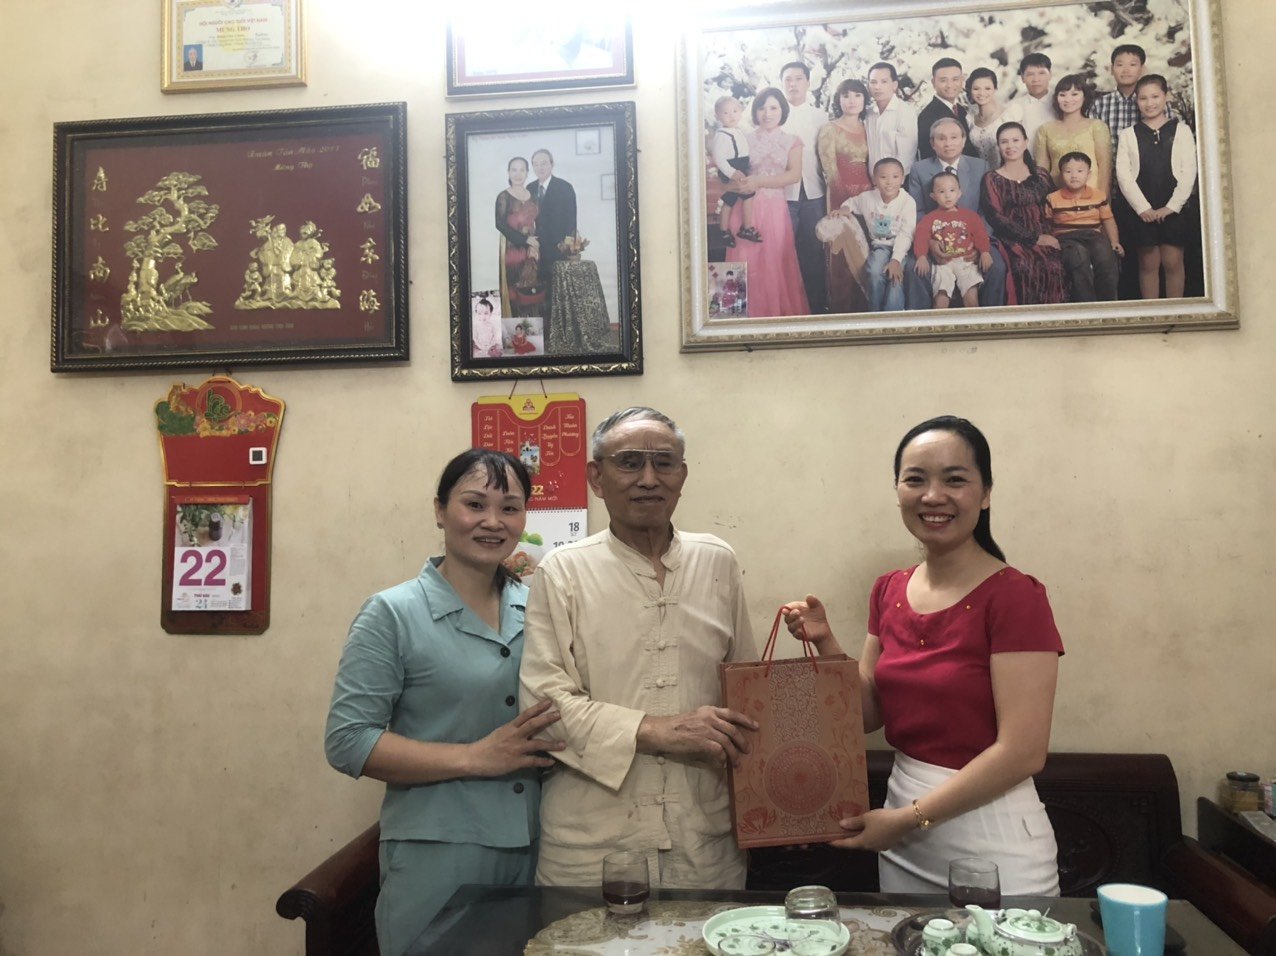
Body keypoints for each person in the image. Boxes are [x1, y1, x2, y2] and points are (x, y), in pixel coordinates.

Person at [782, 415, 1063, 896]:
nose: (933, 496)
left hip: (992, 835)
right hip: (902, 824)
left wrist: (909, 819)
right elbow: (867, 715)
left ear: (986, 493)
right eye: (915, 479)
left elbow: (1023, 752)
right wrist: (826, 643)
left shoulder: (1016, 596)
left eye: (955, 480)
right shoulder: (888, 590)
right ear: (897, 491)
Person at [325, 449, 566, 956]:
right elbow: (349, 741)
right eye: (474, 504)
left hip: (539, 848)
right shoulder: (392, 613)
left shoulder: (539, 607)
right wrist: (475, 757)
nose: (493, 522)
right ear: (440, 510)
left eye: (509, 508)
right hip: (438, 855)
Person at [519, 406, 759, 890]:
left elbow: (746, 694)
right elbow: (545, 706)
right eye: (629, 462)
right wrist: (659, 730)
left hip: (705, 840)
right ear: (596, 478)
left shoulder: (717, 561)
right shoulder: (563, 571)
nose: (649, 479)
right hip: (592, 843)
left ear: (682, 476)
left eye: (663, 463)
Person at [724, 87, 810, 317]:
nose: (767, 113)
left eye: (773, 108)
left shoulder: (792, 141)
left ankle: (772, 319)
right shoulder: (743, 139)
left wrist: (759, 181)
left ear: (783, 110)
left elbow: (794, 175)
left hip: (774, 209)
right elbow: (729, 173)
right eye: (762, 108)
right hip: (744, 208)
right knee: (743, 261)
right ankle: (734, 321)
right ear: (755, 111)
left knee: (774, 263)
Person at [906, 117, 1007, 309]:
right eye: (941, 138)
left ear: (963, 140)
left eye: (954, 137)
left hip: (974, 237)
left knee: (997, 267)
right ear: (932, 143)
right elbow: (917, 211)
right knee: (913, 269)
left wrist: (977, 243)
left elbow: (987, 211)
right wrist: (930, 243)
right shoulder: (920, 169)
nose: (948, 143)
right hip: (934, 237)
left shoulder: (980, 166)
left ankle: (991, 321)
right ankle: (921, 324)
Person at [1115, 74, 1198, 300]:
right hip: (1143, 210)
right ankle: (1151, 313)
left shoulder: (1181, 130)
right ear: (1136, 101)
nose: (1149, 103)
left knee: (1173, 262)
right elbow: (1124, 176)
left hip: (1173, 208)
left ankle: (1174, 312)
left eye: (1155, 96)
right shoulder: (1128, 135)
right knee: (1148, 264)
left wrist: (1171, 207)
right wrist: (1143, 209)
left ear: (1166, 96)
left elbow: (1189, 172)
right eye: (1143, 98)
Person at [981, 122, 1067, 305]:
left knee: (1056, 264)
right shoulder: (992, 178)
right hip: (1012, 238)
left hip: (1047, 233)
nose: (1010, 146)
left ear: (1026, 142)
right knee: (1023, 266)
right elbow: (996, 217)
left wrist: (1051, 236)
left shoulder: (1041, 175)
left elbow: (1055, 206)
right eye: (1004, 142)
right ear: (998, 146)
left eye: (1015, 140)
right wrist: (1034, 238)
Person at [817, 78, 874, 313]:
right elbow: (830, 171)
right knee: (843, 255)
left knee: (869, 251)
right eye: (846, 95)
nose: (852, 100)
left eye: (857, 95)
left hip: (870, 198)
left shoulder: (870, 127)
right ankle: (843, 312)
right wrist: (844, 204)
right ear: (838, 100)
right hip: (841, 197)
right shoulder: (829, 129)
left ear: (865, 99)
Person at [833, 157, 915, 312]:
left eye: (895, 177)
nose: (889, 182)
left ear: (902, 179)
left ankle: (893, 315)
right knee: (874, 271)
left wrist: (896, 260)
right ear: (875, 180)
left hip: (901, 248)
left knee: (895, 279)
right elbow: (852, 202)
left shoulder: (908, 201)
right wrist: (845, 209)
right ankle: (875, 312)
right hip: (880, 246)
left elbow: (906, 233)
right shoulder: (867, 197)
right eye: (883, 177)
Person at [780, 61, 829, 313]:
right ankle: (787, 308)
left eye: (798, 78)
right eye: (788, 79)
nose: (793, 84)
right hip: (782, 196)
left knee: (813, 252)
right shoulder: (775, 114)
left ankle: (816, 308)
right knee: (783, 251)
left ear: (808, 82)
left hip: (814, 193)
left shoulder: (821, 117)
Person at [1046, 152, 1123, 302]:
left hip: (1093, 235)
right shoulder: (1053, 198)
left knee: (1105, 255)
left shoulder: (1098, 196)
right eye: (1068, 171)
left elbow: (1108, 220)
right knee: (1079, 256)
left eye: (1080, 171)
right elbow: (1046, 223)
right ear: (1061, 175)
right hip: (1066, 238)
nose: (1074, 175)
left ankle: (1107, 303)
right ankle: (1086, 303)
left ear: (1088, 174)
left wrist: (1115, 241)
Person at [913, 171, 993, 310]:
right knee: (941, 301)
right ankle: (939, 323)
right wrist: (921, 256)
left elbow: (980, 234)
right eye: (942, 191)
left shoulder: (970, 216)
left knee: (971, 299)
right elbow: (921, 237)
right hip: (943, 264)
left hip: (966, 262)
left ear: (959, 193)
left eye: (952, 190)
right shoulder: (930, 218)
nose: (948, 195)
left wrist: (985, 252)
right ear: (933, 196)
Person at [1033, 75, 1113, 197]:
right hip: (1057, 199)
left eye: (1074, 94)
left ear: (1084, 97)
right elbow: (1041, 171)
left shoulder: (1097, 126)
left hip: (1092, 197)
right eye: (1062, 95)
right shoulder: (1045, 129)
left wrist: (1103, 200)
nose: (1068, 99)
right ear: (1056, 98)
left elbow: (1105, 168)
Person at [1092, 44, 1175, 145]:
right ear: (1112, 70)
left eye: (1132, 64)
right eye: (1120, 65)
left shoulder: (1157, 104)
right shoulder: (1099, 105)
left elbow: (1172, 138)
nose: (1126, 70)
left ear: (1142, 69)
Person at [528, 149, 577, 321]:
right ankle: (544, 328)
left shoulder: (564, 187)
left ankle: (560, 328)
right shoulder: (529, 188)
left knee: (558, 292)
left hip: (558, 249)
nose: (540, 167)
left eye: (544, 163)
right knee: (538, 291)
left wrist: (567, 248)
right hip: (536, 249)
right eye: (536, 164)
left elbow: (571, 221)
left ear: (552, 164)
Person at [495, 156, 545, 319]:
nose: (518, 174)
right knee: (515, 290)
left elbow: (539, 223)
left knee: (533, 290)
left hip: (532, 250)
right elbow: (500, 225)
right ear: (508, 172)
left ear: (527, 173)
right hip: (513, 249)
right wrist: (525, 240)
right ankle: (516, 330)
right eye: (514, 170)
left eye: (522, 170)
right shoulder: (503, 196)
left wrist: (536, 244)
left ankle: (533, 332)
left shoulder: (534, 196)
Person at [710, 96, 759, 247]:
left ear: (741, 112)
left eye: (735, 111)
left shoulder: (738, 131)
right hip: (731, 169)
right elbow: (718, 158)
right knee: (739, 196)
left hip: (740, 167)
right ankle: (735, 229)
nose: (731, 115)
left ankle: (735, 229)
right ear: (717, 116)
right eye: (725, 113)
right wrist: (731, 172)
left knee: (736, 198)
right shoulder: (721, 135)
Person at [917, 58, 980, 161]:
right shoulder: (927, 116)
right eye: (943, 80)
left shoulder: (961, 109)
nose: (950, 85)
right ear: (933, 82)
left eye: (955, 79)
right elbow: (930, 158)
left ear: (962, 80)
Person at [865, 62, 919, 175]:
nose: (877, 87)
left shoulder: (905, 112)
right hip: (872, 179)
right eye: (873, 82)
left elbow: (906, 156)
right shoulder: (868, 113)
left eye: (884, 82)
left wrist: (892, 180)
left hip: (898, 179)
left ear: (894, 85)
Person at [1001, 53, 1054, 146]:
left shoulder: (1063, 102)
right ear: (1022, 78)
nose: (1036, 79)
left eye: (1041, 73)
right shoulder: (1012, 107)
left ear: (1050, 74)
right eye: (1030, 74)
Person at [965, 68, 1006, 170]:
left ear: (995, 89)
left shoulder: (1008, 115)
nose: (981, 93)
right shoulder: (969, 120)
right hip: (979, 174)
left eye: (987, 88)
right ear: (970, 90)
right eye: (976, 89)